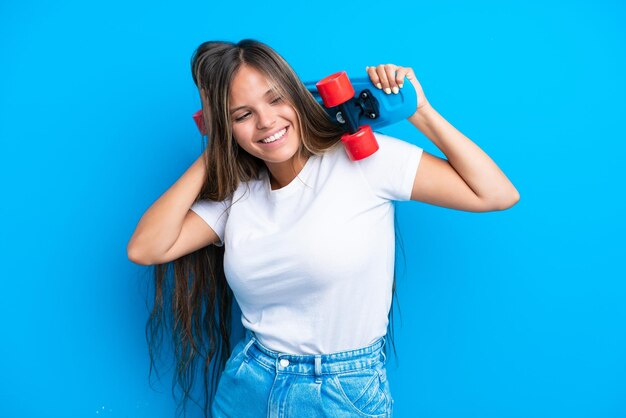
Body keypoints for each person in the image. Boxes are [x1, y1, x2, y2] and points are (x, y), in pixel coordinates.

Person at [127, 39, 519, 418]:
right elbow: (146, 248)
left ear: (299, 98)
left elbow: (496, 194)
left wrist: (419, 109)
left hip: (340, 391)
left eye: (276, 99)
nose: (266, 122)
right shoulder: (237, 196)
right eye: (242, 115)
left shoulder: (364, 161)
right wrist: (215, 150)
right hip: (248, 383)